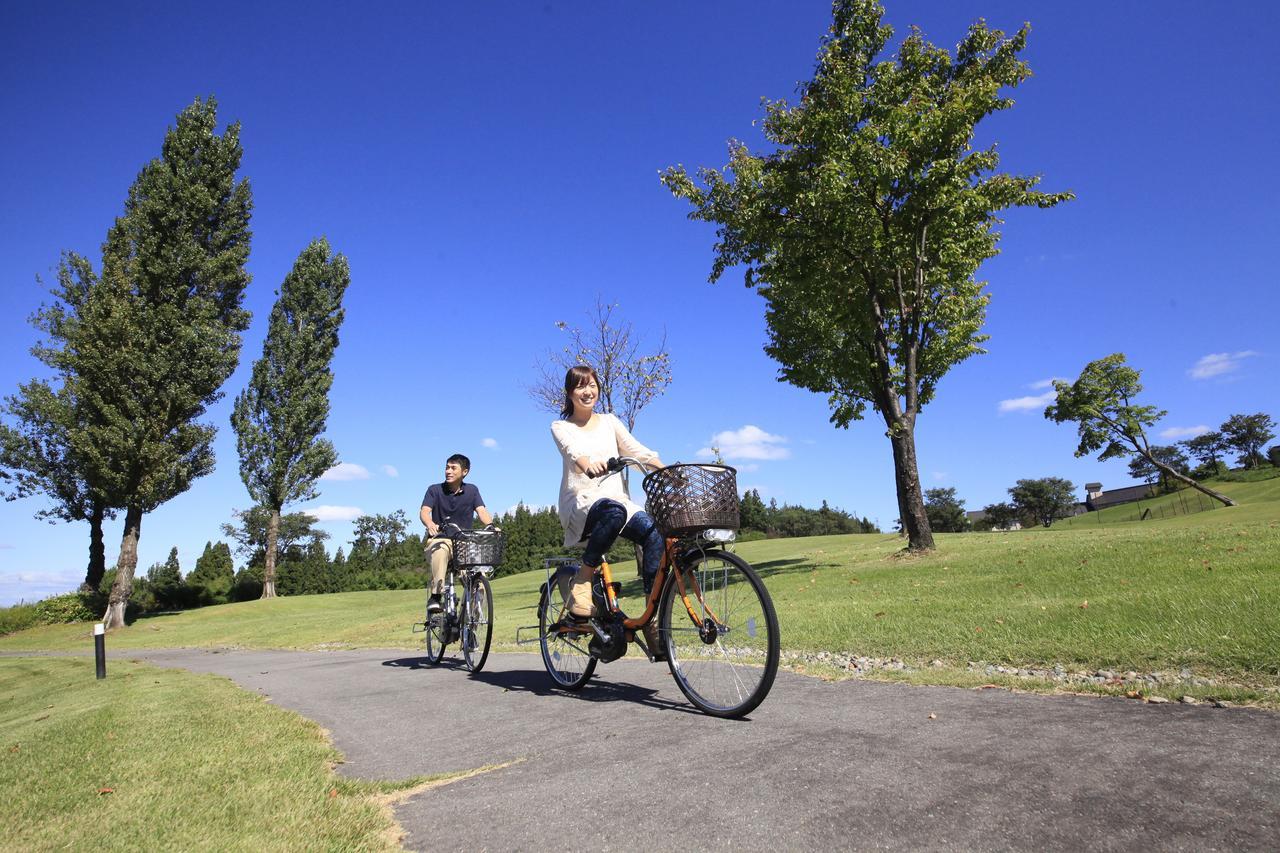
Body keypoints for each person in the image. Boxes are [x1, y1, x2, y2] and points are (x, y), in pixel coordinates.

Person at [550, 365, 667, 658]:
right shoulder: (561, 426)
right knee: (612, 512)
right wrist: (588, 464)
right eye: (580, 387)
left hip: (617, 500)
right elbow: (572, 451)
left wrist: (665, 470)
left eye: (592, 385)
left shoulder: (610, 421)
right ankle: (582, 582)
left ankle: (653, 619)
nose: (587, 392)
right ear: (569, 393)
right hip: (583, 501)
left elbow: (636, 450)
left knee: (654, 534)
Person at [420, 453, 493, 614]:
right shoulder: (434, 490)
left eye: (453, 468)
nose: (448, 471)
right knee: (440, 551)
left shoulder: (472, 491)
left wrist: (491, 526)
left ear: (464, 472)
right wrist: (430, 523)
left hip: (464, 541)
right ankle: (436, 596)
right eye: (447, 467)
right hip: (440, 539)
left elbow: (481, 511)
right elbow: (425, 511)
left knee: (479, 579)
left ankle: (472, 622)